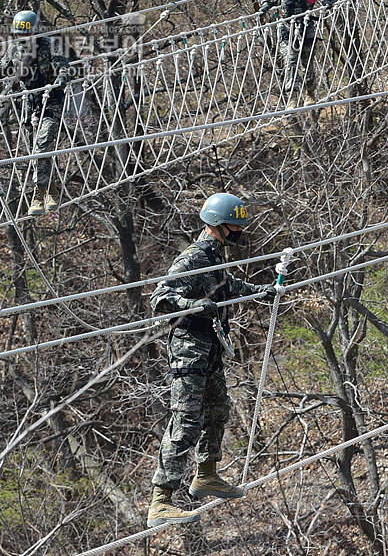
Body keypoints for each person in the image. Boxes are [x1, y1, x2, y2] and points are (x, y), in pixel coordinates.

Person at [146, 193, 277, 527]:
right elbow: (160, 297)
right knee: (186, 421)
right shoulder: (194, 256)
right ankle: (161, 500)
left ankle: (206, 475)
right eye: (236, 224)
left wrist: (261, 292)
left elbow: (227, 286)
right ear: (221, 224)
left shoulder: (215, 256)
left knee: (218, 410)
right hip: (190, 350)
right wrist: (190, 305)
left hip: (210, 349)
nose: (240, 230)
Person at [0, 11, 70, 216]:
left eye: (25, 35)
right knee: (37, 153)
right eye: (18, 35)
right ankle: (51, 191)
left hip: (51, 103)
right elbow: (4, 66)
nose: (21, 39)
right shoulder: (14, 49)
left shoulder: (50, 45)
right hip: (28, 107)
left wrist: (61, 79)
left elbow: (64, 67)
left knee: (42, 147)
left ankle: (38, 193)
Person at [258, 0, 341, 109]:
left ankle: (310, 92)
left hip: (307, 29)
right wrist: (265, 7)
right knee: (291, 61)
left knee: (307, 63)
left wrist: (328, 2)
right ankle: (292, 97)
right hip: (287, 31)